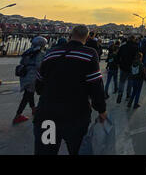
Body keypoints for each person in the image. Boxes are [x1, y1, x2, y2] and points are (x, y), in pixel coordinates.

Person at [33, 25, 107, 155]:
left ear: (71, 34)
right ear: (87, 37)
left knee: (46, 150)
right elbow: (96, 86)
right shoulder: (89, 54)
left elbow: (39, 84)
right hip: (75, 116)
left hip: (48, 114)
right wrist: (101, 109)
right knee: (77, 149)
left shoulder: (51, 53)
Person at [12, 36, 47, 125]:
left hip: (24, 75)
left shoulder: (28, 51)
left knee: (29, 93)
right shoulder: (40, 53)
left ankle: (33, 109)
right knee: (27, 96)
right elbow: (39, 66)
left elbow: (22, 62)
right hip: (32, 76)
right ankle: (18, 115)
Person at [116, 35, 138, 103]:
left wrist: (119, 64)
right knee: (130, 82)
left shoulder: (123, 47)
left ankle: (120, 94)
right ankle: (128, 95)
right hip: (131, 67)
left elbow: (118, 56)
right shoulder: (135, 47)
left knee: (122, 81)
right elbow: (137, 58)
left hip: (123, 67)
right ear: (133, 40)